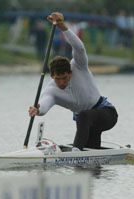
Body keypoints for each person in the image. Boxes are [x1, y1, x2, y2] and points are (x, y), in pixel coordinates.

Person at [29, 12, 118, 151]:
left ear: (70, 73)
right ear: (52, 76)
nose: (61, 82)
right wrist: (37, 109)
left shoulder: (78, 66)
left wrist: (62, 26)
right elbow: (44, 106)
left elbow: (79, 48)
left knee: (83, 116)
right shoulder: (52, 90)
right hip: (86, 124)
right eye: (57, 79)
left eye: (64, 77)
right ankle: (85, 160)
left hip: (106, 114)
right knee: (90, 158)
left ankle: (76, 152)